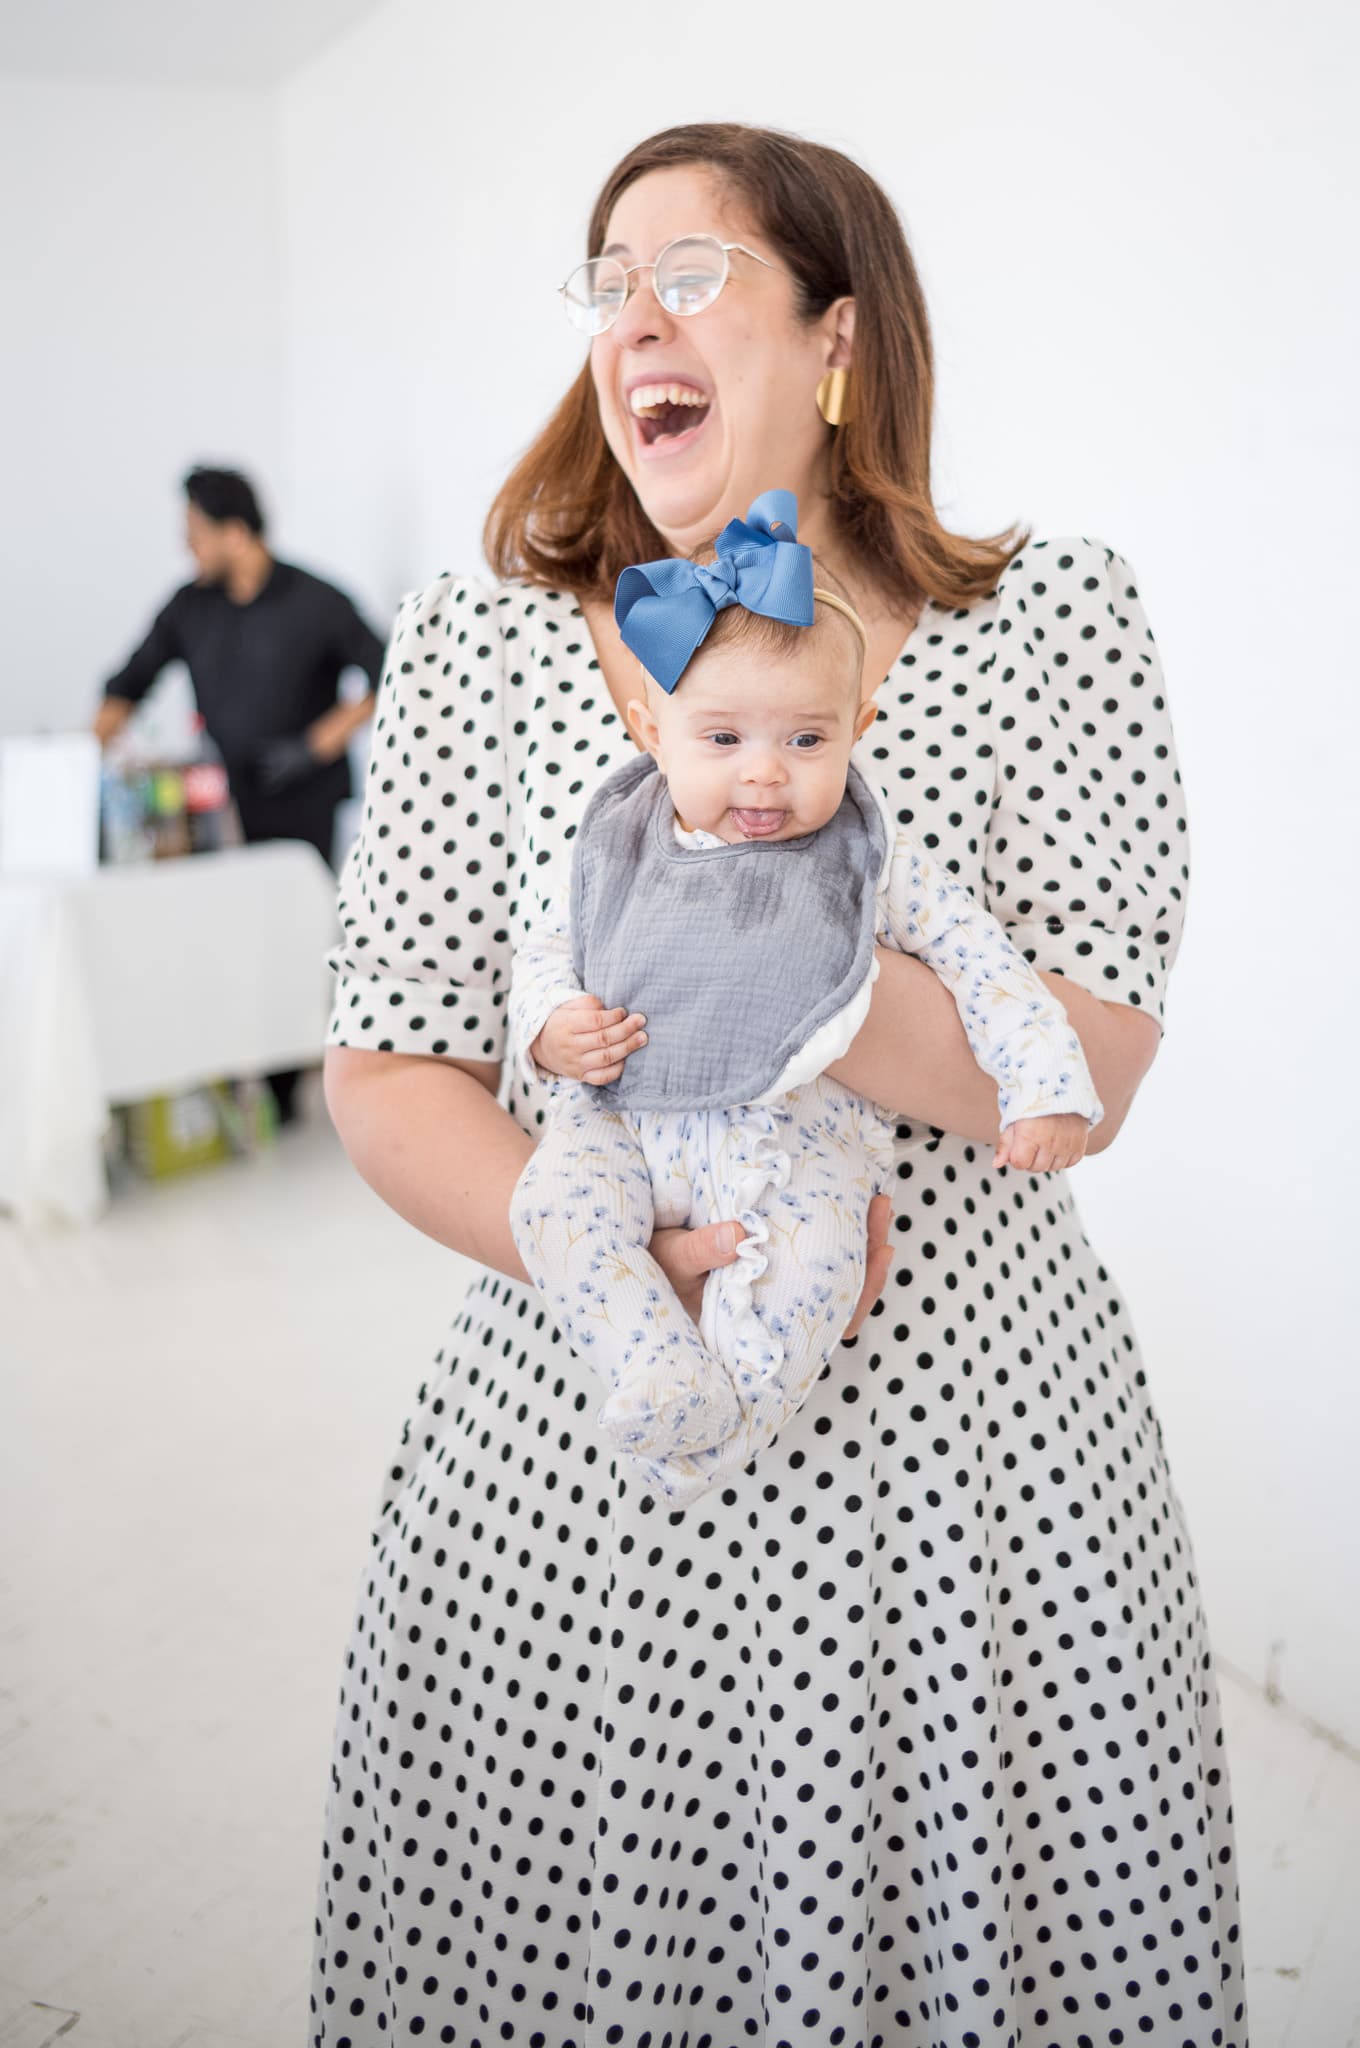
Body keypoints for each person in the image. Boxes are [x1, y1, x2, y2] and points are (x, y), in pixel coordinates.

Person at [316, 123, 1247, 2045]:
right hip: (576, 1447)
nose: (631, 320)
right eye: (606, 284)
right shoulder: (481, 638)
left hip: (968, 1477)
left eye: (689, 273)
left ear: (837, 335)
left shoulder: (1049, 615)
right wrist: (614, 1256)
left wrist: (775, 914)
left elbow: (1091, 1059)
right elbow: (389, 1061)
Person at [509, 490, 1102, 1508]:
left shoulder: (868, 859)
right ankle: (655, 1361)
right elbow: (554, 949)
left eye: (805, 742)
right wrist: (550, 1029)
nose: (764, 776)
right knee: (548, 1207)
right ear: (651, 730)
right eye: (722, 738)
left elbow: (982, 960)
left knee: (819, 1258)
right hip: (622, 1122)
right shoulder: (623, 840)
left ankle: (726, 1424)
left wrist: (1043, 1084)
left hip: (788, 1140)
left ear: (857, 727)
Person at [94, 466, 385, 1121]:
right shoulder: (189, 607)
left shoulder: (316, 600)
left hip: (303, 802)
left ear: (235, 532)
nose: (186, 546)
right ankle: (226, 1079)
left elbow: (389, 672)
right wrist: (82, 760)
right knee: (222, 940)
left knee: (290, 940)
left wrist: (317, 743)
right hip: (218, 809)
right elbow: (128, 682)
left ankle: (284, 1089)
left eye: (195, 531)